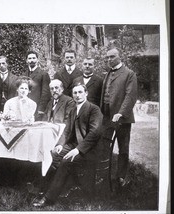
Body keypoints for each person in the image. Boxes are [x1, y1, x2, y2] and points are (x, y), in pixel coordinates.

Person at [33, 83, 103, 207]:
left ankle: (49, 198)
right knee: (52, 155)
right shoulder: (73, 110)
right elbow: (66, 131)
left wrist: (78, 150)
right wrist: (60, 144)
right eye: (75, 93)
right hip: (72, 145)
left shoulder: (94, 109)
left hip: (88, 149)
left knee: (65, 162)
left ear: (86, 93)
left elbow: (94, 133)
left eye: (80, 92)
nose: (77, 95)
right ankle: (50, 189)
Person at [100, 48, 137, 188]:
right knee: (104, 145)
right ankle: (103, 175)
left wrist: (120, 113)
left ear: (120, 57)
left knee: (123, 147)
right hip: (106, 116)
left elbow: (130, 96)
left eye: (112, 57)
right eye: (108, 57)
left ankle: (121, 177)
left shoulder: (129, 74)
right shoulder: (108, 73)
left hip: (122, 118)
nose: (109, 59)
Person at [22, 51, 51, 121]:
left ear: (37, 60)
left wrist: (41, 109)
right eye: (29, 58)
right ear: (26, 61)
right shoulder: (23, 75)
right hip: (24, 108)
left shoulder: (43, 74)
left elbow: (45, 93)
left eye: (34, 58)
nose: (32, 60)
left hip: (37, 108)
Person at [0, 56, 18, 120]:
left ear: (7, 64)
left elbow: (16, 95)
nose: (1, 65)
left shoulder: (15, 78)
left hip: (11, 109)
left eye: (3, 63)